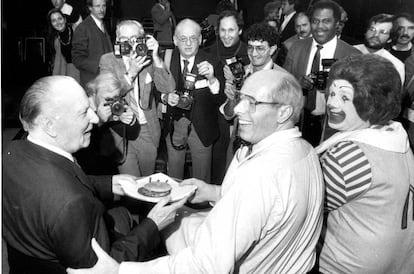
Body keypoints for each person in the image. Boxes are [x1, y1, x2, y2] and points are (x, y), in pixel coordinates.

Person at [67, 69, 324, 274]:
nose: (237, 109)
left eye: (252, 103)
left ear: (284, 112)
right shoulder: (306, 150)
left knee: (167, 221)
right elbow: (273, 206)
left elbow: (206, 266)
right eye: (241, 99)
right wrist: (213, 190)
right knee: (176, 215)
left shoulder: (259, 174)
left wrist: (120, 269)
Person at [2, 76, 187, 274]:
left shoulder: (12, 151)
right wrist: (153, 225)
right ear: (49, 126)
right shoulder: (71, 205)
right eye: (83, 113)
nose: (94, 117)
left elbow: (56, 180)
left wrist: (108, 184)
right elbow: (104, 267)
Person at [316, 54, 414, 273]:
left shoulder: (348, 157)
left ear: (370, 103)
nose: (331, 102)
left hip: (347, 265)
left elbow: (303, 205)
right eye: (331, 93)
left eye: (344, 98)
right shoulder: (397, 136)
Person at [98, 20, 175, 177]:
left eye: (134, 39)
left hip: (147, 129)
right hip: (120, 130)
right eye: (124, 39)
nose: (129, 44)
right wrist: (131, 73)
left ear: (142, 40)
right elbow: (106, 95)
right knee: (130, 184)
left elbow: (168, 88)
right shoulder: (108, 60)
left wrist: (156, 57)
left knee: (146, 180)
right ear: (117, 41)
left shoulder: (148, 59)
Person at [284, 0, 361, 146]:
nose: (320, 27)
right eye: (315, 21)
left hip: (334, 128)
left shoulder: (353, 55)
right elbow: (284, 84)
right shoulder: (296, 47)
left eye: (326, 21)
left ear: (337, 24)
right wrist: (298, 83)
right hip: (299, 123)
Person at [161, 19, 225, 183]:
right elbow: (155, 91)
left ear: (201, 39)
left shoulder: (213, 61)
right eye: (183, 39)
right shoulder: (165, 60)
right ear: (175, 40)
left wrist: (212, 79)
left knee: (202, 180)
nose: (188, 43)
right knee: (173, 179)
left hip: (202, 127)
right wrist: (165, 97)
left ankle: (201, 208)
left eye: (193, 38)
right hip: (174, 126)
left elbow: (221, 99)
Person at [221, 22, 286, 165]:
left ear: (272, 49)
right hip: (237, 146)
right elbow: (228, 114)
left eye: (260, 48)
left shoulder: (283, 80)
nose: (254, 53)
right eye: (250, 48)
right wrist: (232, 99)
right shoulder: (239, 73)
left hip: (266, 150)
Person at [204, 9, 249, 185]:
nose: (226, 35)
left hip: (238, 115)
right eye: (223, 30)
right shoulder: (208, 51)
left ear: (239, 30)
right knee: (214, 160)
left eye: (231, 30)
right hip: (211, 113)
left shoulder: (249, 53)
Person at [354, 13, 405, 84]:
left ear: (390, 39)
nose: (375, 35)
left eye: (383, 32)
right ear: (366, 31)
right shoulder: (348, 51)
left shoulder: (396, 65)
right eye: (372, 29)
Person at [72, 0, 112, 87]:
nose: (101, 9)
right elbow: (77, 59)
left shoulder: (104, 25)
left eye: (103, 6)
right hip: (92, 82)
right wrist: (100, 65)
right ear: (90, 8)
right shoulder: (83, 28)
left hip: (106, 81)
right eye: (98, 6)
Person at [47, 8, 80, 82]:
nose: (58, 22)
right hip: (68, 74)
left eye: (60, 19)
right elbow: (58, 63)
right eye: (54, 21)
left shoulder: (77, 30)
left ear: (64, 19)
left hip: (83, 71)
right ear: (51, 24)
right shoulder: (56, 41)